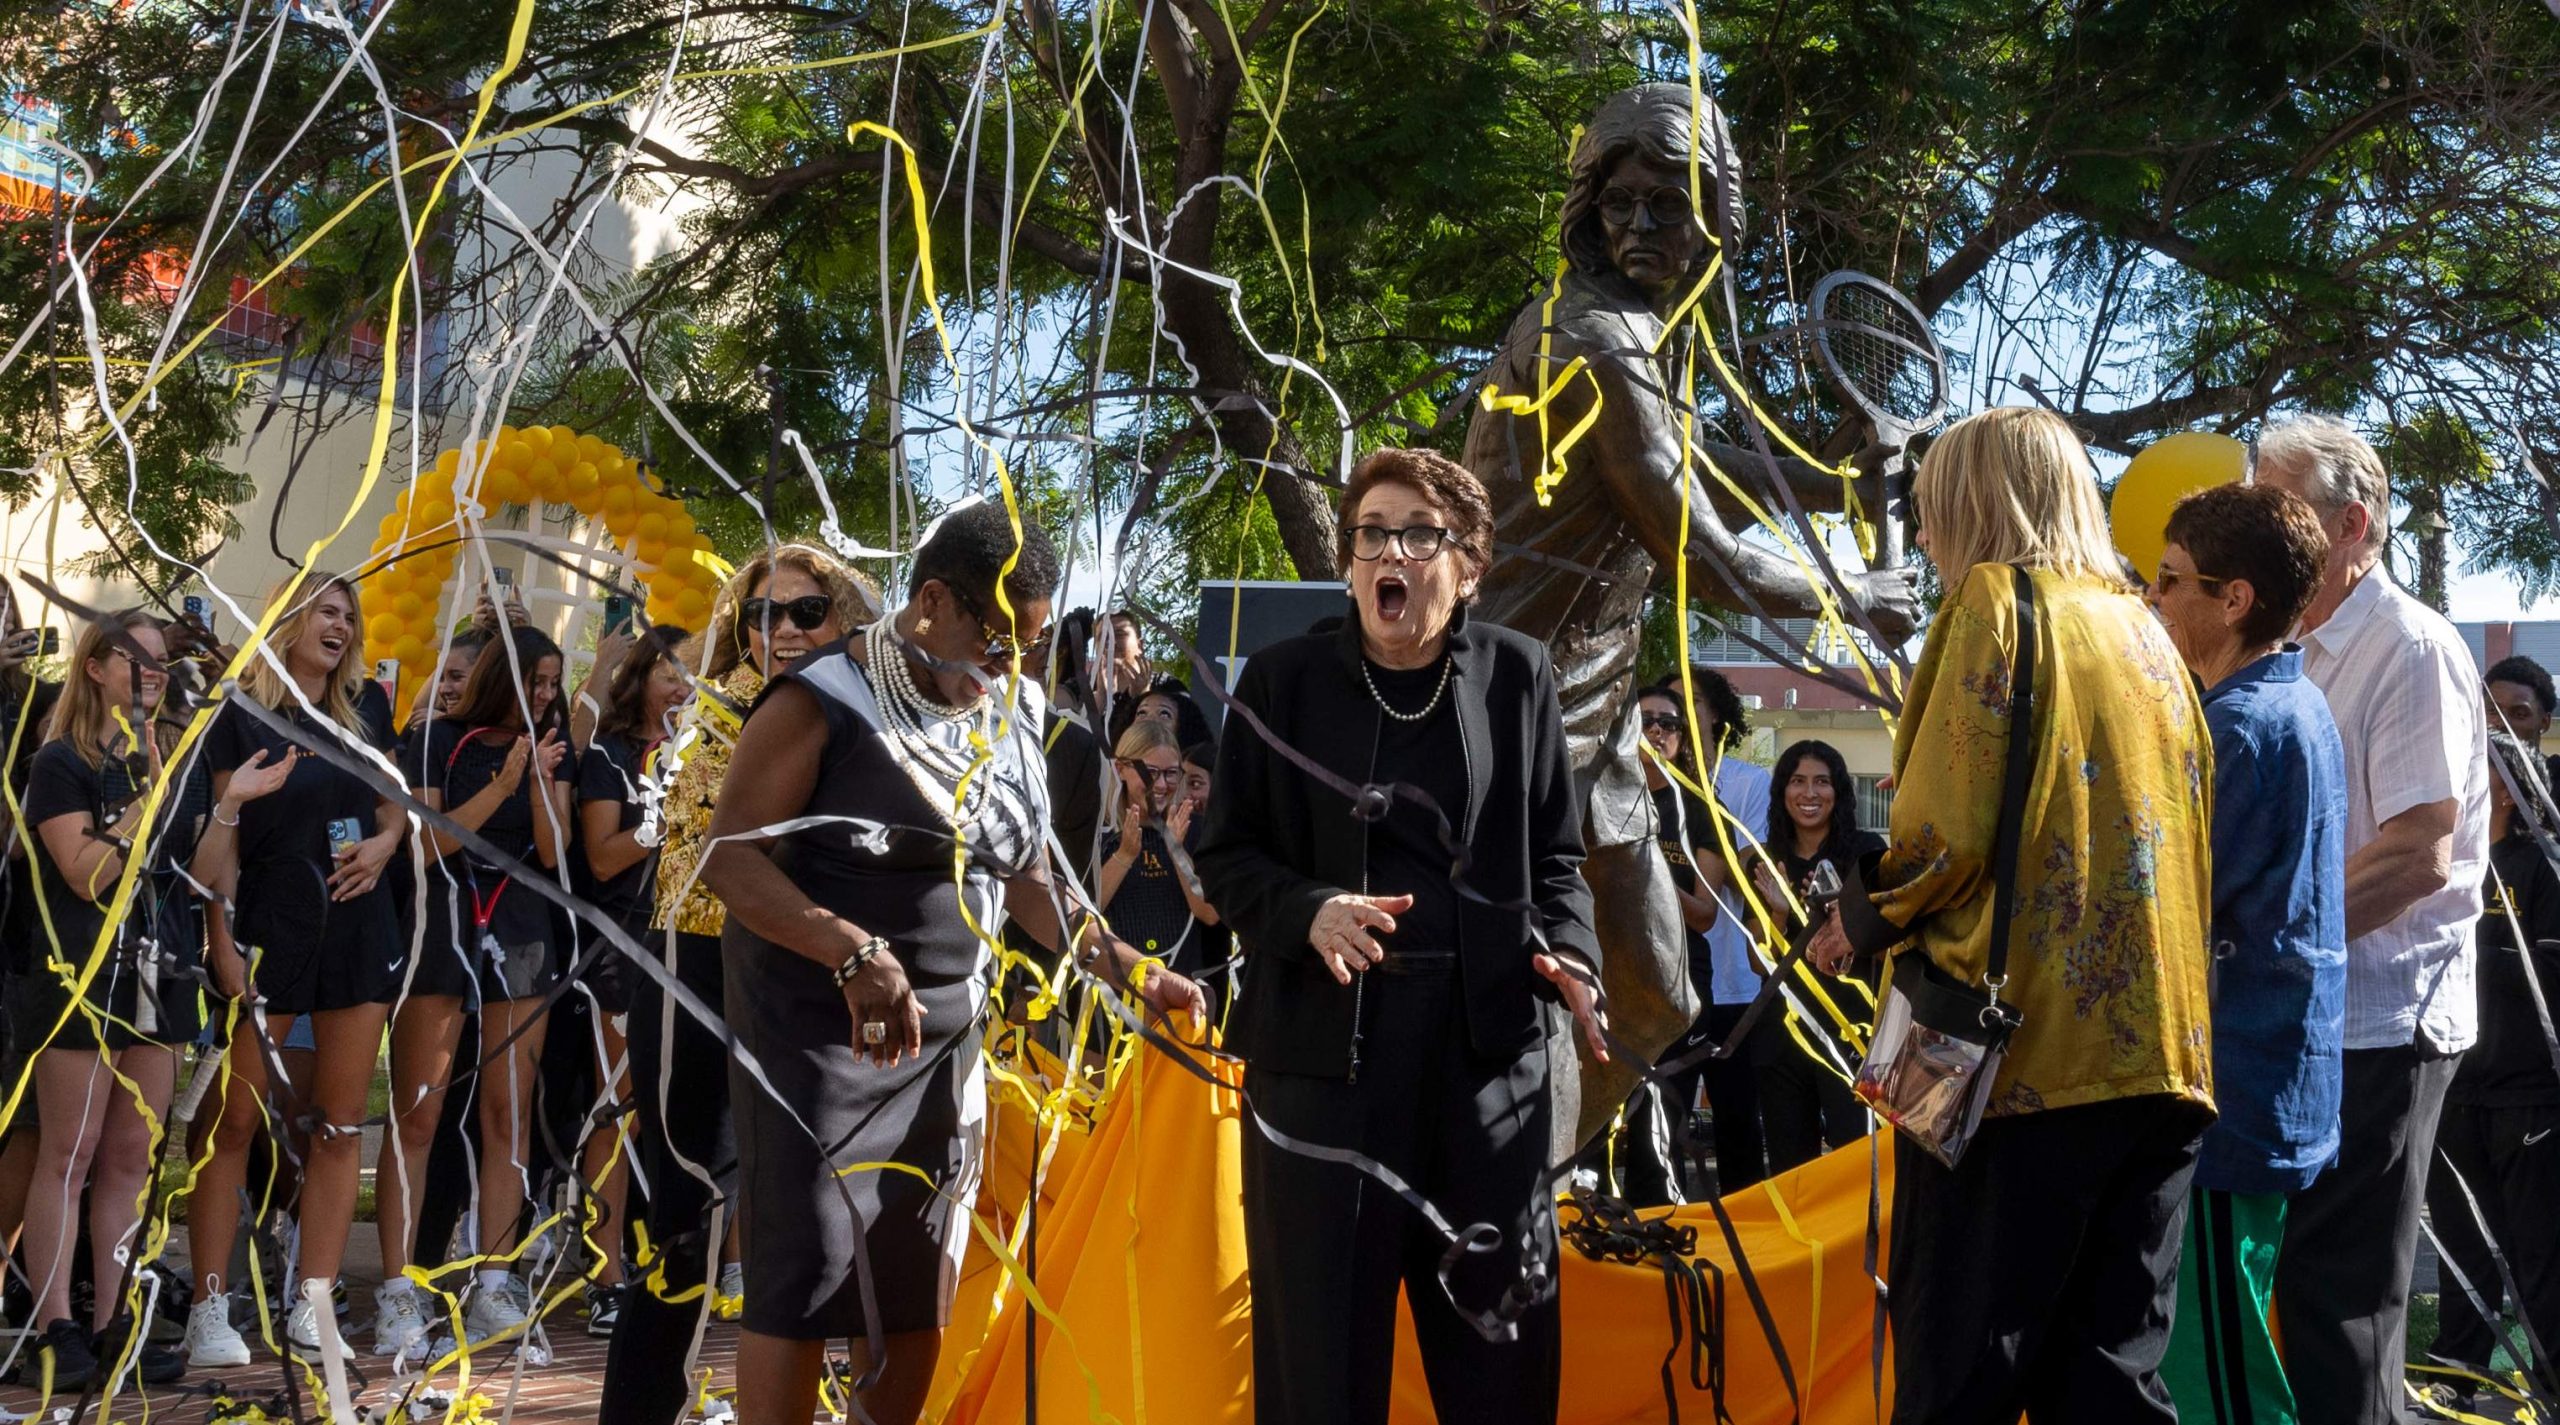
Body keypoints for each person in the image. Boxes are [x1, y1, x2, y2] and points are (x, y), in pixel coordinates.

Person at [702, 501, 1204, 1425]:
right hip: (812, 1035)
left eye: (1032, 644)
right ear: (932, 600)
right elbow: (729, 859)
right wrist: (850, 947)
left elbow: (1029, 881)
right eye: (1000, 641)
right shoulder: (820, 699)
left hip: (942, 1044)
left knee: (913, 1272)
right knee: (805, 1272)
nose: (1014, 666)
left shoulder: (1007, 718)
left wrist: (1130, 967)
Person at [1808, 406, 2215, 1422]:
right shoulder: (2147, 630)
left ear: (1966, 502)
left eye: (1931, 504)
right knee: (2111, 1376)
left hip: (2016, 1067)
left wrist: (1854, 922)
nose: (1927, 528)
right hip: (2164, 1060)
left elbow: (1939, 836)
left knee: (1963, 1370)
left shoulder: (1995, 602)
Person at [1197, 447, 1607, 1425]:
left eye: (1417, 535)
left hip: (1485, 1063)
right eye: (1371, 533)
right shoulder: (1282, 681)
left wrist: (1572, 954)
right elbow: (1225, 858)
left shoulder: (1518, 676)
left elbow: (1556, 859)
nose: (1389, 552)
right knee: (1321, 1363)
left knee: (1497, 1359)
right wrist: (1308, 912)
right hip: (1322, 1065)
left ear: (1465, 563)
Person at [597, 543, 878, 1425]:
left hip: (820, 985)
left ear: (849, 617)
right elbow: (726, 858)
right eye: (761, 614)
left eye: (804, 612)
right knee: (685, 1207)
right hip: (699, 970)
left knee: (834, 1214)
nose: (781, 631)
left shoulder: (881, 721)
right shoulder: (719, 717)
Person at [2253, 414, 2492, 1425]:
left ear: (2351, 524)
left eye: (2276, 507)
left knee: (2339, 1307)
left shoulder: (2408, 646)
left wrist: (2258, 942)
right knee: (2296, 1299)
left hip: (2381, 1023)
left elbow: (2415, 856)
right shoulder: (2285, 645)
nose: (2254, 526)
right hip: (2304, 1016)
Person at [2145, 482, 2349, 1424]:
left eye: (2170, 579)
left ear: (2234, 600)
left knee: (2225, 1379)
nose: (2153, 600)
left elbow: (2169, 904)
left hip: (2235, 1097)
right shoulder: (2286, 703)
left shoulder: (2240, 726)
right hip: (2262, 1085)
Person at [15, 611, 241, 1387]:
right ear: (98, 667)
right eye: (140, 660)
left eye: (160, 663)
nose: (154, 674)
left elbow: (194, 867)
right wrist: (152, 791)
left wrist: (226, 800)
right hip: (81, 971)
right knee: (68, 1155)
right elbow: (84, 869)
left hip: (157, 967)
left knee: (131, 1157)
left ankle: (114, 1322)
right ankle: (57, 1328)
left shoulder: (164, 759)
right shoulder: (59, 762)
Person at [197, 574, 406, 1367]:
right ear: (287, 618)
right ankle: (211, 1306)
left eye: (348, 615)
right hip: (271, 930)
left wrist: (386, 845)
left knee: (341, 1125)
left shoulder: (365, 710)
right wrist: (221, 944)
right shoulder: (238, 715)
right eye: (327, 610)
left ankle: (312, 1303)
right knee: (235, 1122)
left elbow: (393, 805)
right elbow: (218, 858)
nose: (342, 624)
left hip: (357, 929)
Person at [379, 623, 573, 1357]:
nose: (548, 694)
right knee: (419, 1114)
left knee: (508, 1114)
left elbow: (554, 852)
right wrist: (500, 781)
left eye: (555, 683)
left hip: (523, 926)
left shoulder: (548, 745)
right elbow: (429, 842)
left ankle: (496, 1279)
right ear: (501, 674)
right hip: (445, 920)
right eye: (537, 680)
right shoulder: (436, 739)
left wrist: (538, 776)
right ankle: (399, 1290)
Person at [2422, 731, 2560, 1409]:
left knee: (2538, 1252)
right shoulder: (2454, 862)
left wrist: (2479, 951)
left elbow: (2551, 975)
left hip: (2527, 1099)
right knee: (2461, 1242)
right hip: (2455, 1086)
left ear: (2506, 782)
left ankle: (2550, 1378)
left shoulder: (2542, 865)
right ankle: (2459, 1371)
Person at [569, 623, 688, 1336]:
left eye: (689, 672)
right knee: (614, 1112)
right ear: (639, 677)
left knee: (672, 1114)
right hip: (620, 945)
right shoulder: (611, 756)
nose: (681, 683)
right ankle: (602, 1272)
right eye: (668, 669)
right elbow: (604, 857)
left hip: (691, 947)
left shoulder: (706, 754)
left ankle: (673, 1260)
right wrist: (666, 821)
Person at [1616, 680, 1762, 1204]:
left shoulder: (1702, 810)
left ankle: (1664, 1228)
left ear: (1684, 737)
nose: (1656, 732)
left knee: (1665, 1111)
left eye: (1668, 724)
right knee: (1609, 1121)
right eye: (1645, 721)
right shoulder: (1602, 793)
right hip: (1608, 975)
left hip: (1678, 981)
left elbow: (1704, 913)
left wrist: (1646, 867)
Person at [1751, 738, 1880, 1176]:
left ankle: (1858, 1245)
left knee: (1855, 1160)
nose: (1809, 793)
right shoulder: (1767, 858)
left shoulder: (1867, 854)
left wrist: (1842, 915)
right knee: (1792, 1169)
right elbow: (1758, 962)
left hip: (1850, 1030)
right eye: (1798, 781)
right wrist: (1778, 911)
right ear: (1782, 791)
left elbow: (1880, 944)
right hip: (1781, 1036)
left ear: (1839, 791)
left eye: (1822, 782)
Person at [1096, 720, 1223, 1013]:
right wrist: (1125, 856)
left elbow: (1210, 912)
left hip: (1179, 993)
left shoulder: (1193, 828)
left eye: (1171, 774)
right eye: (1150, 773)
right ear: (1121, 769)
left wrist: (1176, 850)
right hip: (1111, 998)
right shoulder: (1099, 833)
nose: (1162, 785)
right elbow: (1082, 911)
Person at [2484, 654, 2559, 790]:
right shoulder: (2459, 780)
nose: (2501, 723)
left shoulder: (2555, 780)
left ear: (2544, 722)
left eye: (2519, 714)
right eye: (2493, 711)